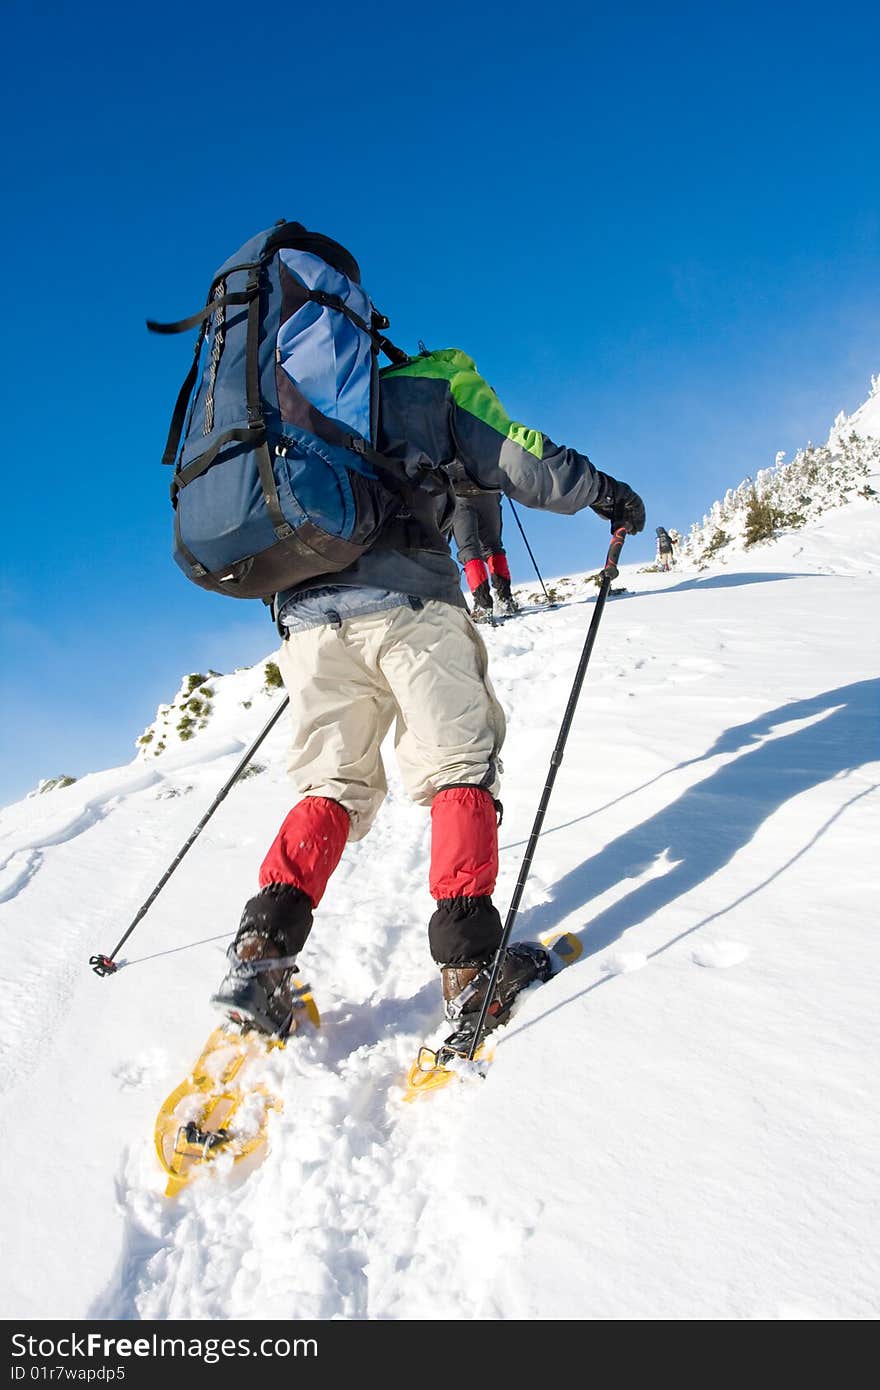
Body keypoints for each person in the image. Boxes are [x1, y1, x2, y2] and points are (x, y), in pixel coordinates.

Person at [212, 341, 646, 1043]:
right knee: (457, 765)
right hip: (410, 605)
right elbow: (521, 459)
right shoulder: (434, 381)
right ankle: (472, 967)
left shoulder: (292, 402)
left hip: (303, 619)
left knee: (332, 784)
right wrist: (606, 493)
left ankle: (261, 954)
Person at [448, 466, 516, 621]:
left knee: (469, 550)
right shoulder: (483, 440)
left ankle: (483, 604)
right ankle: (505, 599)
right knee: (493, 546)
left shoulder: (441, 441)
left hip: (459, 494)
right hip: (488, 490)